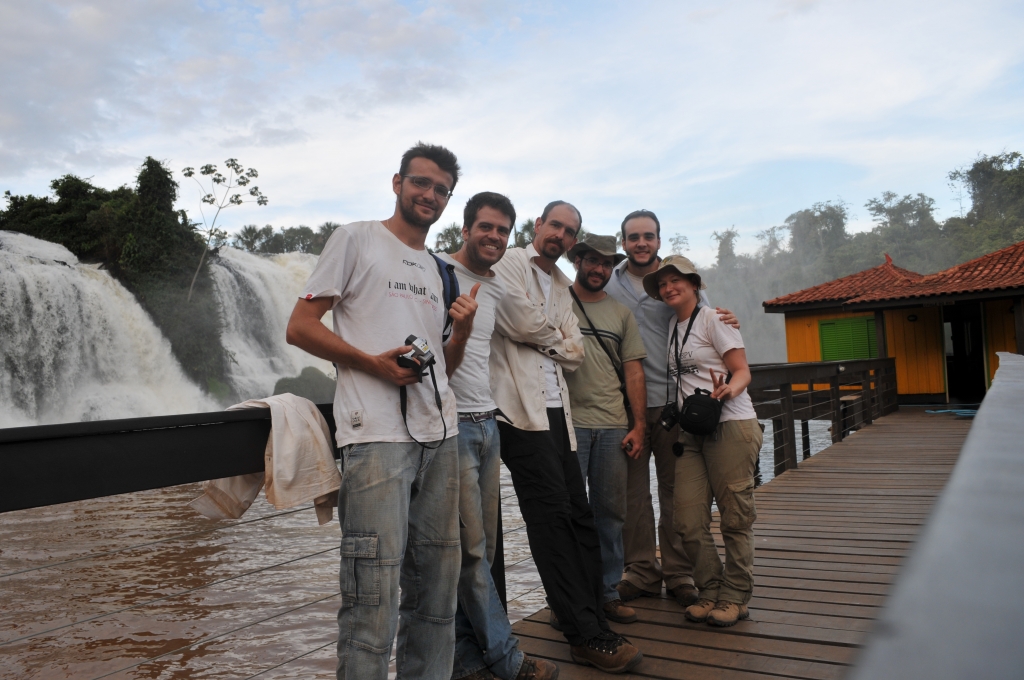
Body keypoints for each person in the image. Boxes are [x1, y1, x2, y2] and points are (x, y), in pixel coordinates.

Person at [285, 143, 479, 679]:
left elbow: (446, 363)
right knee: (372, 596)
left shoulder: (442, 270)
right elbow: (300, 328)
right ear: (397, 182)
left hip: (440, 435)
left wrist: (460, 330)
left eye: (441, 190)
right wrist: (373, 364)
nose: (430, 195)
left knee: (438, 596)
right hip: (375, 438)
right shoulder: (356, 239)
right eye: (421, 183)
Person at [490, 201, 643, 675]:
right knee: (551, 520)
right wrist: (552, 335)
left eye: (569, 230)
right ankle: (584, 635)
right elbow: (518, 322)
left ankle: (595, 612)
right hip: (520, 413)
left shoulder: (558, 283)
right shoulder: (508, 263)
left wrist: (548, 336)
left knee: (580, 516)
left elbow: (574, 354)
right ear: (537, 225)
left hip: (560, 413)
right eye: (554, 225)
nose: (560, 234)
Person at [438, 192, 559, 680]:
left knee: (481, 549)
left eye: (502, 231)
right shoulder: (436, 273)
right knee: (469, 550)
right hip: (452, 428)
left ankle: (467, 659)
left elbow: (534, 323)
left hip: (488, 423)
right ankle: (508, 659)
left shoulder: (492, 284)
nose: (493, 236)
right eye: (485, 227)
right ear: (465, 229)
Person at [603, 210, 738, 608]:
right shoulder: (608, 284)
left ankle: (680, 572)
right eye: (632, 237)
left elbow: (706, 318)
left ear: (658, 241)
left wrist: (728, 318)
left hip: (674, 405)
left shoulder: (674, 281)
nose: (640, 243)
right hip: (624, 405)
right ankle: (641, 570)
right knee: (632, 493)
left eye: (648, 236)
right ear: (623, 242)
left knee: (675, 491)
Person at [642, 255, 763, 627]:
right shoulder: (675, 327)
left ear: (694, 284)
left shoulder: (714, 319)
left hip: (731, 426)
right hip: (692, 435)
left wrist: (728, 390)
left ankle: (735, 595)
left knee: (734, 517)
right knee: (687, 518)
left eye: (675, 280)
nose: (668, 288)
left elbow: (742, 370)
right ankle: (709, 589)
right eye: (662, 284)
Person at [563, 234, 647, 625]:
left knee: (610, 514)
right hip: (566, 424)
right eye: (591, 261)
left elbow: (633, 370)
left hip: (614, 425)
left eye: (605, 264)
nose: (598, 269)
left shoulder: (620, 314)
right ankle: (568, 600)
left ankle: (608, 591)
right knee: (566, 515)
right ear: (577, 260)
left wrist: (640, 424)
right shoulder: (557, 301)